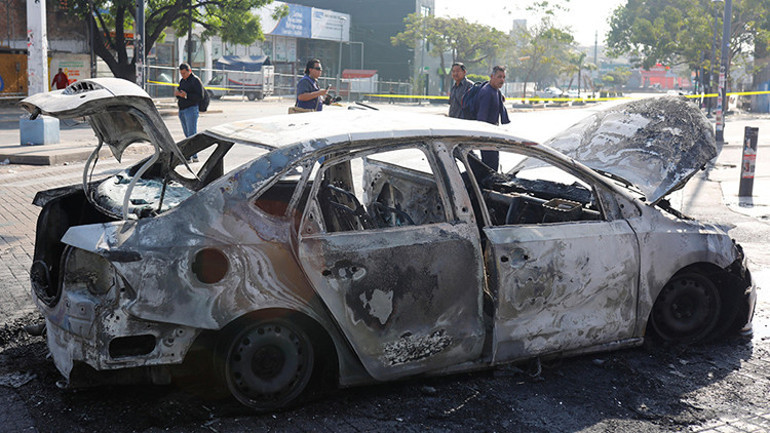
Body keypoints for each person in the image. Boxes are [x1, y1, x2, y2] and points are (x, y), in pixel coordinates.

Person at [476, 65, 510, 170]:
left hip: (493, 136)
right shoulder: (487, 92)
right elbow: (481, 119)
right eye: (499, 77)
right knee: (490, 168)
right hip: (487, 138)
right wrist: (485, 139)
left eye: (503, 77)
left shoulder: (496, 91)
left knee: (491, 167)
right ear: (492, 76)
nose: (502, 80)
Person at [174, 63, 203, 162]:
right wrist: (178, 94)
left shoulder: (195, 80)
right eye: (181, 73)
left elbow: (200, 96)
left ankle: (192, 155)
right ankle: (192, 155)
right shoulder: (182, 81)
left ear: (189, 71)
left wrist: (186, 95)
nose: (183, 75)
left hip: (191, 109)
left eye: (184, 73)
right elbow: (180, 92)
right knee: (187, 134)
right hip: (182, 109)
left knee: (191, 134)